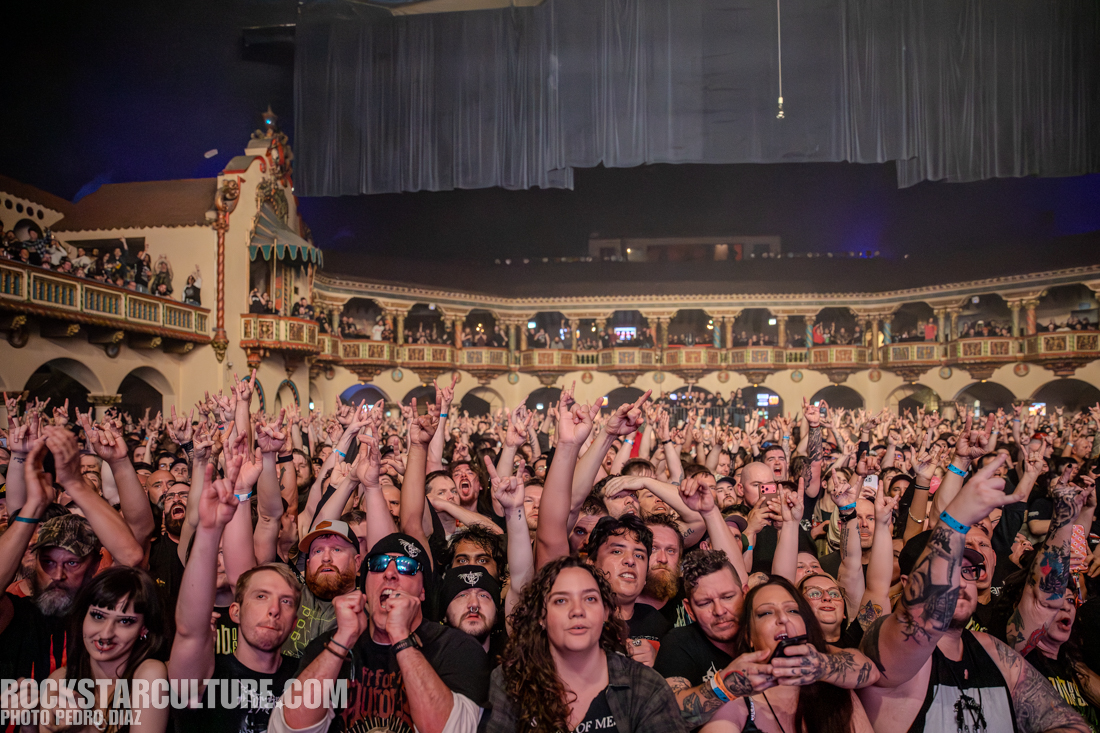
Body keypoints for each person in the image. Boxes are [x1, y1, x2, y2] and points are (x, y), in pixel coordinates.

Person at [857, 454, 1089, 733]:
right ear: (912, 581)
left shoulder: (995, 648)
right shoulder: (890, 643)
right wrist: (955, 511)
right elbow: (900, 606)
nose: (961, 579)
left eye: (970, 569)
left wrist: (1065, 519)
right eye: (952, 567)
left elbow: (1043, 599)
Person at [271, 533, 491, 733]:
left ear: (422, 591)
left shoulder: (457, 648)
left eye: (406, 566)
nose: (390, 573)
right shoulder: (328, 646)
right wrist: (342, 640)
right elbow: (288, 727)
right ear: (365, 585)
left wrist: (401, 638)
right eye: (378, 564)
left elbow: (450, 729)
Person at [485, 556, 688, 733]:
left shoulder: (645, 685)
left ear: (606, 611)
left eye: (590, 599)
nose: (577, 611)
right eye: (561, 601)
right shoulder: (510, 681)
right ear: (541, 616)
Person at [169, 465, 302, 732]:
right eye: (262, 596)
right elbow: (189, 632)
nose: (273, 609)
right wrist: (209, 529)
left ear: (296, 620)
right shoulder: (206, 678)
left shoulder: (306, 675)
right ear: (235, 611)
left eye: (286, 601)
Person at [701, 576, 877, 733]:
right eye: (766, 613)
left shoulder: (835, 689)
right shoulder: (735, 706)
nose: (783, 618)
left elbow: (870, 671)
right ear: (749, 636)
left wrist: (822, 667)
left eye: (792, 611)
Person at [40, 567, 169, 733]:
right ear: (83, 617)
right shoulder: (59, 680)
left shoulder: (149, 674)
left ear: (144, 629)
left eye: (125, 622)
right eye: (98, 616)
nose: (106, 634)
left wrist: (84, 728)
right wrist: (27, 723)